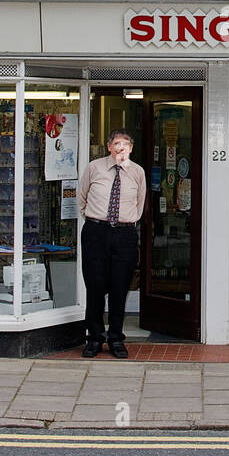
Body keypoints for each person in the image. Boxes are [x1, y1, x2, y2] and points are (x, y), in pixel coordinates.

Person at [76, 129, 146, 359]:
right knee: (95, 286)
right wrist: (96, 220)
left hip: (125, 234)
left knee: (119, 288)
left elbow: (139, 203)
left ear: (131, 149)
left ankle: (116, 338)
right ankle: (94, 338)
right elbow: (81, 197)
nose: (121, 148)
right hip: (96, 231)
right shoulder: (94, 168)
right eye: (117, 144)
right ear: (109, 147)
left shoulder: (138, 172)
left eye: (125, 144)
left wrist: (125, 223)